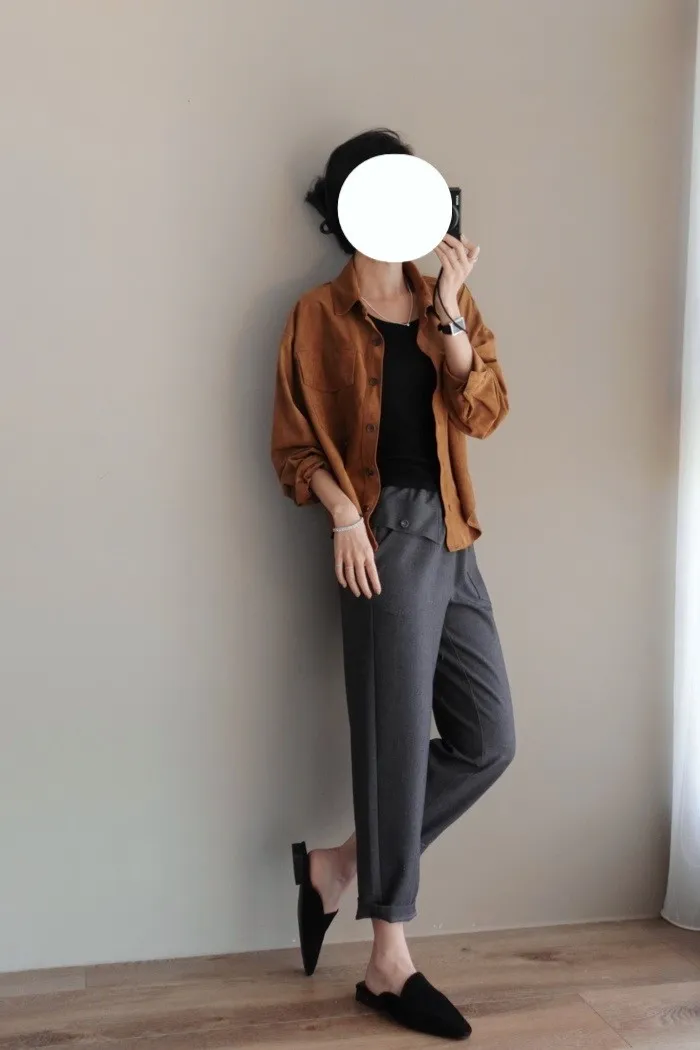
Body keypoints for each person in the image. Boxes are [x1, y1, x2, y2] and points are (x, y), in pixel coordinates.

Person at [271, 128, 515, 1041]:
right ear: (347, 205)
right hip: (382, 537)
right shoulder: (315, 316)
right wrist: (343, 514)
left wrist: (447, 310)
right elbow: (294, 446)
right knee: (395, 744)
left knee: (489, 740)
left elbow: (486, 410)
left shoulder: (445, 299)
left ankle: (337, 867)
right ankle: (387, 961)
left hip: (454, 533)